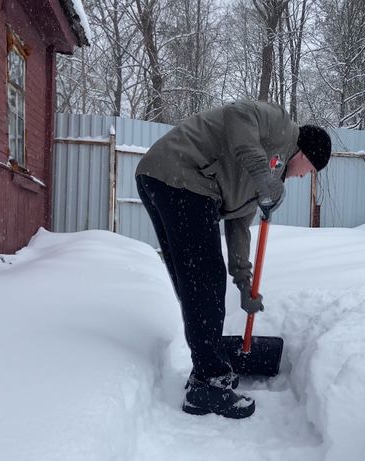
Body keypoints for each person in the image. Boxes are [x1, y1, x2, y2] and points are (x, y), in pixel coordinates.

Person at [134, 100, 332, 419]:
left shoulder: (267, 183)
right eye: (310, 170)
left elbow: (239, 227)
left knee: (194, 283)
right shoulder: (282, 127)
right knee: (206, 281)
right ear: (305, 154)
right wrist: (262, 175)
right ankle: (209, 384)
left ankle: (205, 374)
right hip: (181, 174)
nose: (303, 176)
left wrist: (244, 283)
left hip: (166, 180)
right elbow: (237, 114)